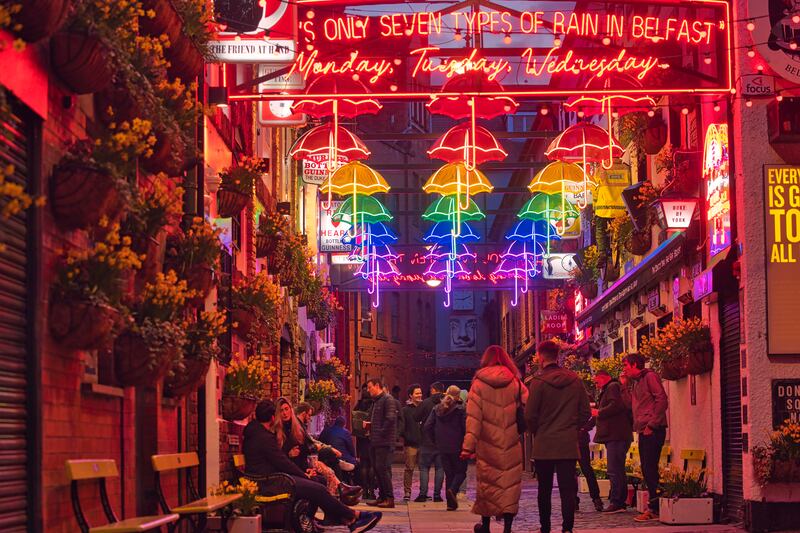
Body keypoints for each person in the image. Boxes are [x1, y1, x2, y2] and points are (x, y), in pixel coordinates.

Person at [242, 400, 382, 533]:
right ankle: (353, 516)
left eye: (286, 409)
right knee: (318, 488)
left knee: (318, 483)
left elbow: (286, 458)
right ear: (273, 418)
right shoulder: (264, 438)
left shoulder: (258, 433)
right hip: (270, 482)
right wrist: (303, 475)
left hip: (273, 478)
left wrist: (304, 471)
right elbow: (282, 462)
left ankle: (349, 520)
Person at [525, 340, 590, 533]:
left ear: (541, 357)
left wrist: (537, 430)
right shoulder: (574, 380)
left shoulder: (537, 382)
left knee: (544, 489)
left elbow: (530, 415)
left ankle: (545, 528)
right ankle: (567, 528)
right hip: (567, 443)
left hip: (545, 443)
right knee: (567, 489)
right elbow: (585, 412)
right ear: (558, 356)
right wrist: (572, 427)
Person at [462, 346, 528, 533]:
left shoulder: (478, 384)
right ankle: (507, 527)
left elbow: (473, 418)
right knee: (509, 485)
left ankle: (486, 526)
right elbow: (528, 406)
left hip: (487, 443)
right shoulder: (515, 382)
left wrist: (468, 447)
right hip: (510, 441)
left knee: (488, 485)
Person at [274, 398, 361, 502]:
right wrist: (290, 454)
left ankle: (339, 494)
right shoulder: (279, 429)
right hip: (290, 470)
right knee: (326, 468)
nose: (284, 413)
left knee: (326, 468)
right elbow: (278, 455)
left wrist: (307, 467)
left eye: (286, 409)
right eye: (281, 410)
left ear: (290, 409)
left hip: (302, 464)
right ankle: (340, 492)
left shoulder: (296, 426)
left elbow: (305, 446)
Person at [623, 353, 668, 522]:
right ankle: (654, 506)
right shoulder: (636, 382)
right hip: (643, 429)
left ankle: (654, 508)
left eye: (626, 365)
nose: (624, 369)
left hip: (652, 429)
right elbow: (629, 405)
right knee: (647, 469)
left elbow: (662, 399)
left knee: (650, 468)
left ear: (635, 365)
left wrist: (652, 424)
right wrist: (624, 385)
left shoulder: (650, 377)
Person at [593, 370, 633, 514]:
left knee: (614, 470)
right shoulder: (612, 387)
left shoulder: (612, 387)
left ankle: (617, 502)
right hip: (617, 434)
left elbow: (616, 405)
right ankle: (619, 501)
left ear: (604, 378)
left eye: (597, 382)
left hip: (616, 434)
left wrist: (599, 412)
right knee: (617, 469)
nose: (596, 385)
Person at [425, 385, 467, 511]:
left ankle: (450, 504)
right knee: (461, 472)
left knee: (449, 474)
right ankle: (452, 490)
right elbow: (465, 428)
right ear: (458, 396)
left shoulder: (436, 408)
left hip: (442, 447)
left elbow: (427, 426)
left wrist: (435, 440)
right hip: (457, 446)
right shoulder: (460, 409)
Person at [367, 378, 397, 508]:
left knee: (382, 469)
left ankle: (389, 498)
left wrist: (380, 431)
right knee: (377, 469)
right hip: (375, 440)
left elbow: (390, 419)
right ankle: (382, 497)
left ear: (377, 386)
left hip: (383, 441)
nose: (368, 390)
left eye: (370, 387)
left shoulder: (387, 399)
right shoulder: (376, 401)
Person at [415, 381, 445, 502]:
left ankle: (423, 494)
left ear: (432, 390)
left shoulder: (426, 402)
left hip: (426, 441)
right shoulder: (446, 403)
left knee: (424, 468)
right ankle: (437, 496)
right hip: (442, 442)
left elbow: (416, 417)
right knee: (440, 468)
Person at [577, 407, 604, 512]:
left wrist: (584, 429)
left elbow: (595, 414)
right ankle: (573, 500)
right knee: (571, 472)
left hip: (580, 439)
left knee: (586, 469)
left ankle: (596, 498)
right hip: (570, 439)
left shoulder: (583, 396)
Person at [400, 383, 423, 501]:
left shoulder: (425, 407)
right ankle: (407, 492)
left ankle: (423, 493)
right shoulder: (405, 410)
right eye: (417, 393)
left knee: (423, 469)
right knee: (409, 468)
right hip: (411, 444)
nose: (420, 395)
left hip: (424, 444)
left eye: (420, 393)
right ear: (411, 395)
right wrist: (407, 436)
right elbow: (402, 426)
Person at [353, 385, 376, 500]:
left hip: (361, 439)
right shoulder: (374, 405)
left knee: (363, 465)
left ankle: (365, 491)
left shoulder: (358, 405)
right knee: (372, 465)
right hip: (371, 439)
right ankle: (371, 491)